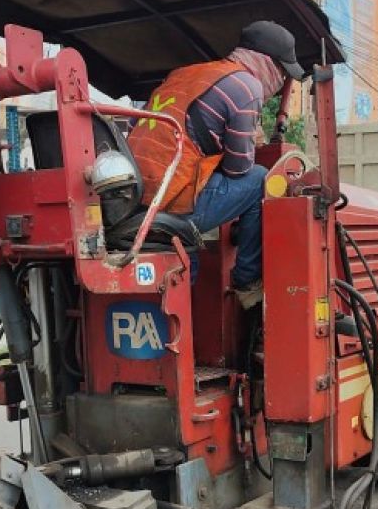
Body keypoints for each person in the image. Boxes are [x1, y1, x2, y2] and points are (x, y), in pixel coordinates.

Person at [127, 20, 304, 308]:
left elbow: (143, 125)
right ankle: (247, 280)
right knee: (260, 179)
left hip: (136, 199)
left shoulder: (186, 74)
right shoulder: (247, 86)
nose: (282, 80)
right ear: (270, 64)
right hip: (173, 200)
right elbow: (238, 169)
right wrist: (252, 141)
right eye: (283, 72)